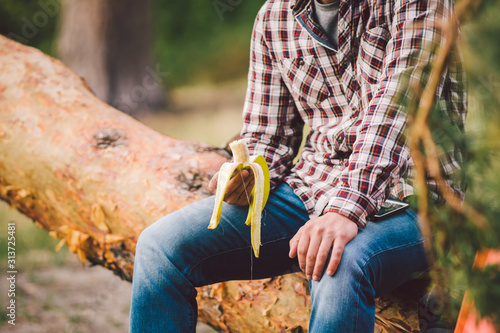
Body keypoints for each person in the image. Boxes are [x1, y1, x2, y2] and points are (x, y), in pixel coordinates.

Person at [129, 0, 466, 331]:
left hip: (416, 197)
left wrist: (344, 211)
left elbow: (396, 112)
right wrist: (249, 174)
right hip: (314, 188)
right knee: (160, 248)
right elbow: (268, 136)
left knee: (337, 263)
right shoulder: (274, 17)